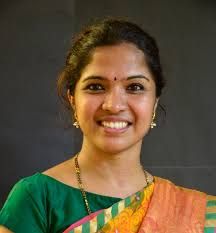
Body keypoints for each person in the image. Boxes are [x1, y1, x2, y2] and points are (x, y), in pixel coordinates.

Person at [0, 17, 215, 233]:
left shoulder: (192, 212)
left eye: (135, 87)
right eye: (95, 86)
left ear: (154, 102)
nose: (113, 105)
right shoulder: (37, 198)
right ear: (73, 99)